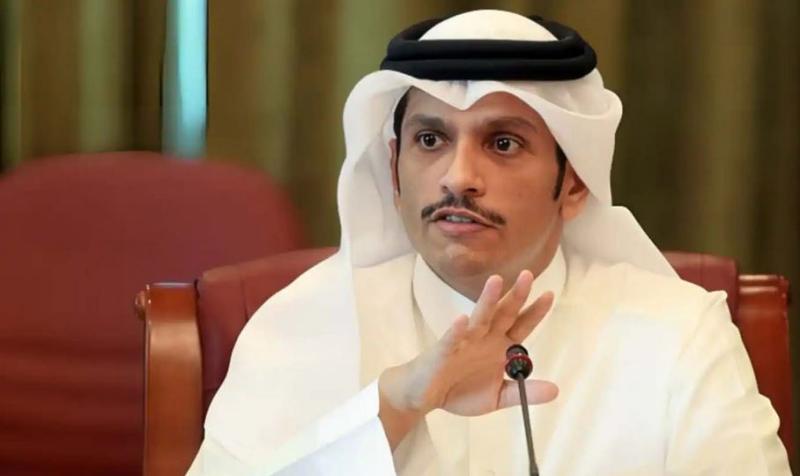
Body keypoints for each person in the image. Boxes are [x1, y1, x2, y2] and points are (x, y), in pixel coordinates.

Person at [187, 10, 790, 475]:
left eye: (503, 143)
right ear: (393, 168)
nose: (458, 177)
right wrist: (393, 407)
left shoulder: (680, 333)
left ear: (574, 181)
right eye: (430, 140)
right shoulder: (301, 323)